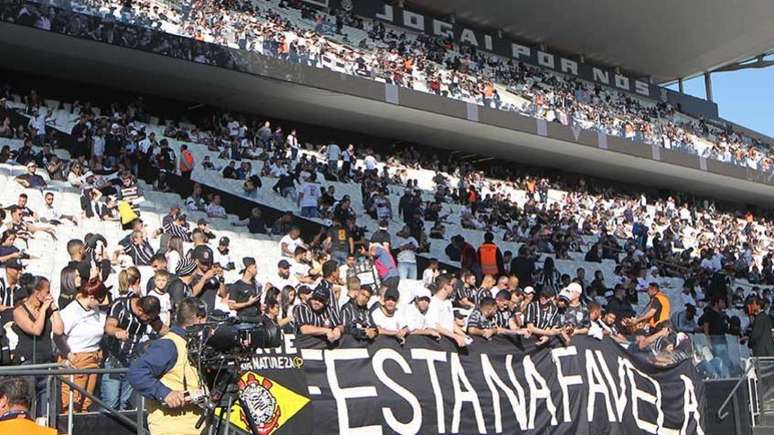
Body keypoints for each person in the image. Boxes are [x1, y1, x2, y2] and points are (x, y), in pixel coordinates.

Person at [128, 298, 207, 435]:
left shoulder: (194, 343)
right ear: (198, 318)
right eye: (206, 319)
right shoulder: (169, 345)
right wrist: (165, 393)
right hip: (172, 426)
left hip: (196, 425)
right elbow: (136, 372)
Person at [12, 275, 64, 415]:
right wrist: (43, 310)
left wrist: (54, 309)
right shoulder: (19, 311)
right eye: (47, 292)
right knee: (29, 407)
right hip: (29, 365)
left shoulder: (47, 309)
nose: (49, 295)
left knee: (47, 409)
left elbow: (59, 330)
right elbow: (35, 330)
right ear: (37, 292)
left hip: (46, 364)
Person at [102, 295, 164, 410]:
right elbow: (109, 326)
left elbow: (161, 328)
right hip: (114, 359)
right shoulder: (120, 306)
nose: (149, 321)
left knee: (125, 403)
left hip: (133, 361)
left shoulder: (149, 312)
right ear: (140, 311)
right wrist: (117, 332)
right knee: (111, 402)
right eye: (148, 319)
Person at [58, 278, 107, 411]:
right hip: (77, 358)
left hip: (94, 357)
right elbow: (58, 335)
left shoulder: (94, 308)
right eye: (100, 299)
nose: (102, 303)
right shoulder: (71, 311)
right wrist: (69, 355)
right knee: (73, 403)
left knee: (87, 403)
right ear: (91, 297)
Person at [227, 257, 262, 323]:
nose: (256, 270)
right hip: (244, 321)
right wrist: (247, 303)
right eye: (255, 267)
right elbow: (231, 306)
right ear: (248, 268)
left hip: (257, 320)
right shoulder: (237, 285)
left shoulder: (256, 284)